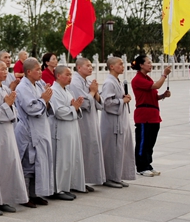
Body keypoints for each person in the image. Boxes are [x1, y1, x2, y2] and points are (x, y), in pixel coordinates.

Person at [0, 61, 29, 212]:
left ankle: (2, 199)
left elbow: (13, 110)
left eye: (6, 69)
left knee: (7, 165)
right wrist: (6, 105)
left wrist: (9, 105)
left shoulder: (5, 88)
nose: (5, 72)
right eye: (2, 69)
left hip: (7, 131)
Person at [15, 58, 54, 206]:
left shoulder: (39, 84)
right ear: (29, 72)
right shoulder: (22, 87)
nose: (40, 72)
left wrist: (47, 98)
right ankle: (25, 196)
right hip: (28, 130)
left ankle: (35, 193)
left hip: (41, 128)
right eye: (37, 69)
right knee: (28, 163)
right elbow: (31, 108)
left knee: (39, 162)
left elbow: (47, 103)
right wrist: (44, 100)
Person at [130, 54, 171, 177]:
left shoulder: (147, 79)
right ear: (141, 65)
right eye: (148, 62)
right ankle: (141, 166)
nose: (150, 64)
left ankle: (148, 164)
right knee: (143, 141)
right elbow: (156, 86)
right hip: (144, 115)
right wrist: (164, 75)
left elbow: (153, 95)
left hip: (153, 114)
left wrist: (163, 95)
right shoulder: (137, 79)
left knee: (150, 142)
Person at [49, 66, 85, 198]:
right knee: (62, 159)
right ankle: (59, 189)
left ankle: (70, 185)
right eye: (67, 74)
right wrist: (73, 108)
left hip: (72, 128)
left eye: (71, 75)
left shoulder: (67, 90)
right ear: (58, 76)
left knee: (71, 157)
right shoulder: (53, 91)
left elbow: (73, 107)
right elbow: (58, 111)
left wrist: (76, 107)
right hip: (61, 129)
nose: (70, 77)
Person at [69, 58, 105, 190]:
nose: (90, 68)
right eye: (87, 66)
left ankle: (85, 180)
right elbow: (83, 103)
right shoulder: (74, 82)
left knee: (91, 149)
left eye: (91, 66)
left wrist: (94, 93)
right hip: (82, 121)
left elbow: (100, 103)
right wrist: (92, 92)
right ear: (79, 68)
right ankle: (78, 182)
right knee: (82, 150)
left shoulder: (88, 82)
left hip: (92, 120)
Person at [100, 56, 134, 188]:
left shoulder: (117, 81)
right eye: (120, 64)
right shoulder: (109, 82)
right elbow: (106, 103)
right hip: (112, 124)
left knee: (119, 150)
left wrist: (124, 98)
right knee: (112, 150)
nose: (123, 66)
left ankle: (117, 176)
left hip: (120, 121)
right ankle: (109, 177)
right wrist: (122, 101)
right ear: (112, 66)